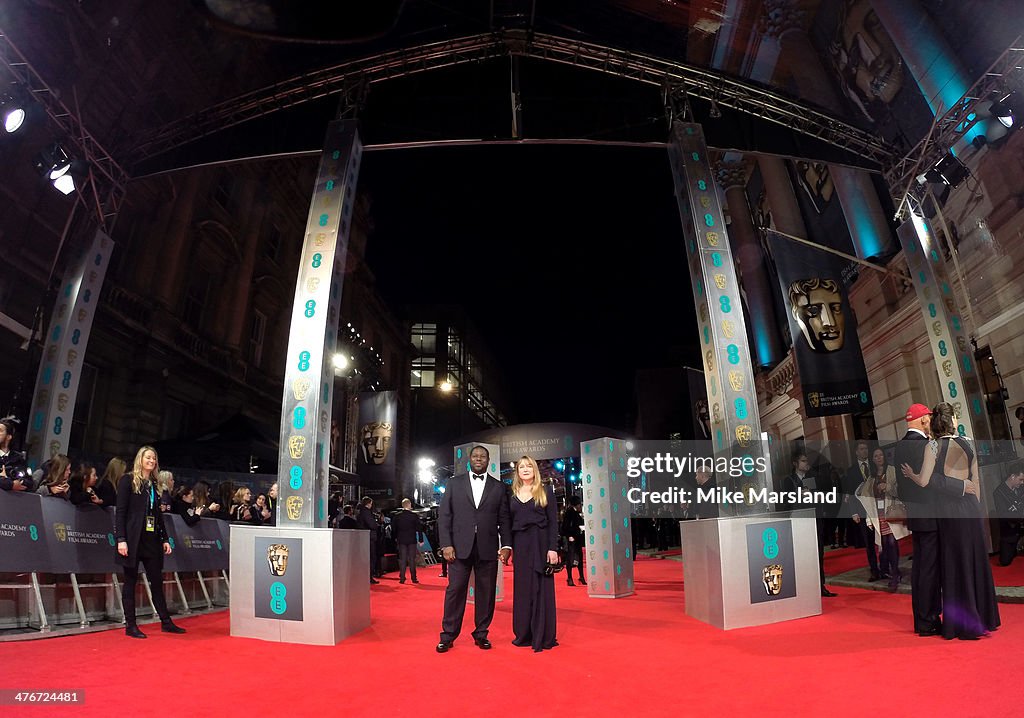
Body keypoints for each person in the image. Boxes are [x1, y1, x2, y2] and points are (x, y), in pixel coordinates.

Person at [901, 403, 1000, 640]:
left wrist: (912, 476)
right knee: (975, 561)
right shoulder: (968, 443)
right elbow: (976, 485)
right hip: (971, 509)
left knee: (956, 565)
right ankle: (985, 618)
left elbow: (925, 481)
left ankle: (962, 624)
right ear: (953, 421)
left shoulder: (933, 446)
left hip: (949, 511)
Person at [895, 403, 966, 636]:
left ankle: (924, 619)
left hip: (917, 516)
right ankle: (928, 621)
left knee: (922, 569)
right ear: (924, 420)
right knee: (929, 570)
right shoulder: (926, 446)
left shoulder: (900, 446)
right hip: (932, 515)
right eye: (928, 417)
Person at [436, 445, 511, 653]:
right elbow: (445, 517)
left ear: (488, 461)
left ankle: (481, 633)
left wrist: (506, 545)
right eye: (476, 456)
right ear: (470, 459)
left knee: (486, 593)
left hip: (487, 547)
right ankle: (448, 635)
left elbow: (504, 519)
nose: (479, 459)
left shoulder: (498, 487)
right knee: (455, 590)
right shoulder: (454, 483)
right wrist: (446, 544)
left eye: (483, 456)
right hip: (458, 548)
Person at [115, 446, 186, 638]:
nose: (152, 461)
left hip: (151, 539)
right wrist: (121, 539)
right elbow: (120, 512)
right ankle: (130, 625)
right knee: (130, 581)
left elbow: (158, 515)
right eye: (148, 457)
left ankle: (166, 621)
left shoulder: (154, 485)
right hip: (132, 539)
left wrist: (164, 538)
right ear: (140, 459)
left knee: (157, 580)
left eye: (154, 458)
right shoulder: (127, 480)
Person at [510, 455, 558, 651]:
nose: (525, 469)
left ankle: (543, 634)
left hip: (541, 543)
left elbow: (554, 522)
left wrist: (553, 548)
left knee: (541, 588)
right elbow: (505, 522)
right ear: (517, 472)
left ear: (535, 469)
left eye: (529, 466)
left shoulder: (545, 491)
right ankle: (524, 634)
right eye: (521, 466)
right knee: (522, 590)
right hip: (520, 545)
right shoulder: (511, 494)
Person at [781, 452, 836, 597]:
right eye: (803, 461)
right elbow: (785, 502)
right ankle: (803, 587)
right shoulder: (788, 480)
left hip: (815, 520)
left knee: (818, 553)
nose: (806, 463)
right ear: (795, 463)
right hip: (799, 522)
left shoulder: (813, 478)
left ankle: (820, 585)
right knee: (800, 555)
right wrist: (800, 495)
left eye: (807, 461)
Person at [855, 448, 909, 591]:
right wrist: (868, 520)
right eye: (876, 456)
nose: (879, 458)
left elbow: (901, 489)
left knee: (891, 541)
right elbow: (865, 499)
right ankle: (892, 570)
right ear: (872, 459)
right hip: (878, 515)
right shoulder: (871, 478)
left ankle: (896, 573)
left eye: (880, 455)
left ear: (884, 457)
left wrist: (888, 487)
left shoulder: (892, 470)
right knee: (885, 544)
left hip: (891, 511)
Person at [993, 462, 1024, 567]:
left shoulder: (1021, 488)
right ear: (1012, 476)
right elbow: (1004, 515)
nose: (1022, 482)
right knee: (1005, 561)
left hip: (1022, 525)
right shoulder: (999, 493)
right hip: (1010, 530)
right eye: (1021, 479)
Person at [392, 498, 424, 584]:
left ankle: (402, 578)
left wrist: (394, 538)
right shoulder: (414, 516)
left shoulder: (397, 516)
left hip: (401, 540)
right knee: (412, 559)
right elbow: (419, 529)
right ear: (409, 504)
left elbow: (394, 529)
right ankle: (414, 578)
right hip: (412, 540)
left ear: (402, 505)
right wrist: (421, 540)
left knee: (403, 559)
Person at [560, 495, 587, 586]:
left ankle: (581, 577)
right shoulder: (569, 512)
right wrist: (569, 536)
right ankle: (569, 578)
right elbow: (565, 526)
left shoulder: (577, 513)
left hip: (578, 537)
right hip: (571, 538)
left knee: (579, 557)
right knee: (570, 558)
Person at [0, 418, 31, 492]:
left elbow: (29, 482)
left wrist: (16, 482)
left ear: (8, 437)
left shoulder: (18, 459)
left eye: (0, 431)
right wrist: (10, 484)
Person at [357, 497, 380, 584]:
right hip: (369, 537)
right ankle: (369, 577)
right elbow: (372, 524)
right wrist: (376, 525)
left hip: (364, 537)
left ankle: (366, 576)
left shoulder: (360, 512)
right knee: (371, 557)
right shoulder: (366, 512)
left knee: (366, 557)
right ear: (368, 503)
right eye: (371, 503)